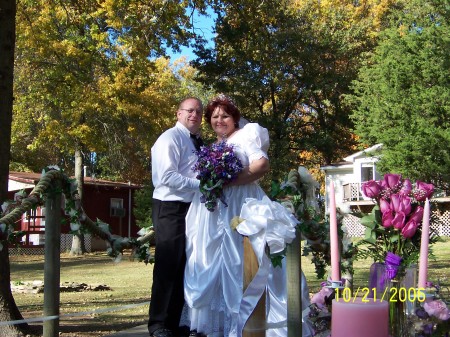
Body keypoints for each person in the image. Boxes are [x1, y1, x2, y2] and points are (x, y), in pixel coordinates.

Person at [184, 94, 289, 337]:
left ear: (235, 118)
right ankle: (214, 327)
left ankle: (246, 324)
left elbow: (262, 165)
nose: (219, 120)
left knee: (239, 261)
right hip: (216, 210)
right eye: (214, 116)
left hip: (241, 206)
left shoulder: (245, 136)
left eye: (225, 115)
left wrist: (229, 181)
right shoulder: (215, 146)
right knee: (211, 259)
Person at [148, 97, 204, 337]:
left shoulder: (198, 142)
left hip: (190, 209)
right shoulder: (169, 138)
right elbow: (166, 177)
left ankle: (173, 323)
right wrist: (202, 185)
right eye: (190, 110)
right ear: (178, 113)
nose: (195, 115)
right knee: (167, 265)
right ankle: (157, 324)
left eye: (199, 112)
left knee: (185, 265)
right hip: (170, 207)